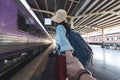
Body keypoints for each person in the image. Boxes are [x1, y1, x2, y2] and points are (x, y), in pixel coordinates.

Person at [51, 9, 95, 80]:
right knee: (68, 76)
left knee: (62, 76)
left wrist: (69, 56)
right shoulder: (68, 29)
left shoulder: (59, 27)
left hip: (63, 57)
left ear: (57, 20)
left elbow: (63, 41)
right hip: (66, 56)